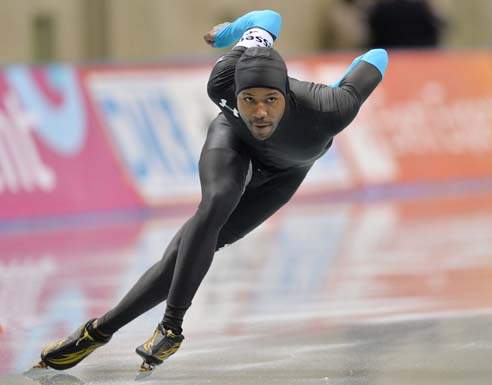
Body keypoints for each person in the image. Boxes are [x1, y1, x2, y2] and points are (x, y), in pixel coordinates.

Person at [30, 9, 387, 377]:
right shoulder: (221, 82)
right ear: (234, 93)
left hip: (286, 172)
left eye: (270, 100)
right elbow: (268, 17)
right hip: (234, 142)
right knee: (214, 206)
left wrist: (345, 82)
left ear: (286, 97)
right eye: (248, 100)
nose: (260, 112)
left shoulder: (330, 109)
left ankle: (99, 331)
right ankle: (171, 328)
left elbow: (376, 55)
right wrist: (230, 37)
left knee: (190, 249)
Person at [367, 0, 445, 48]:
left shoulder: (381, 9)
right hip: (420, 55)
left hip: (388, 55)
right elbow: (438, 26)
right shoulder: (421, 8)